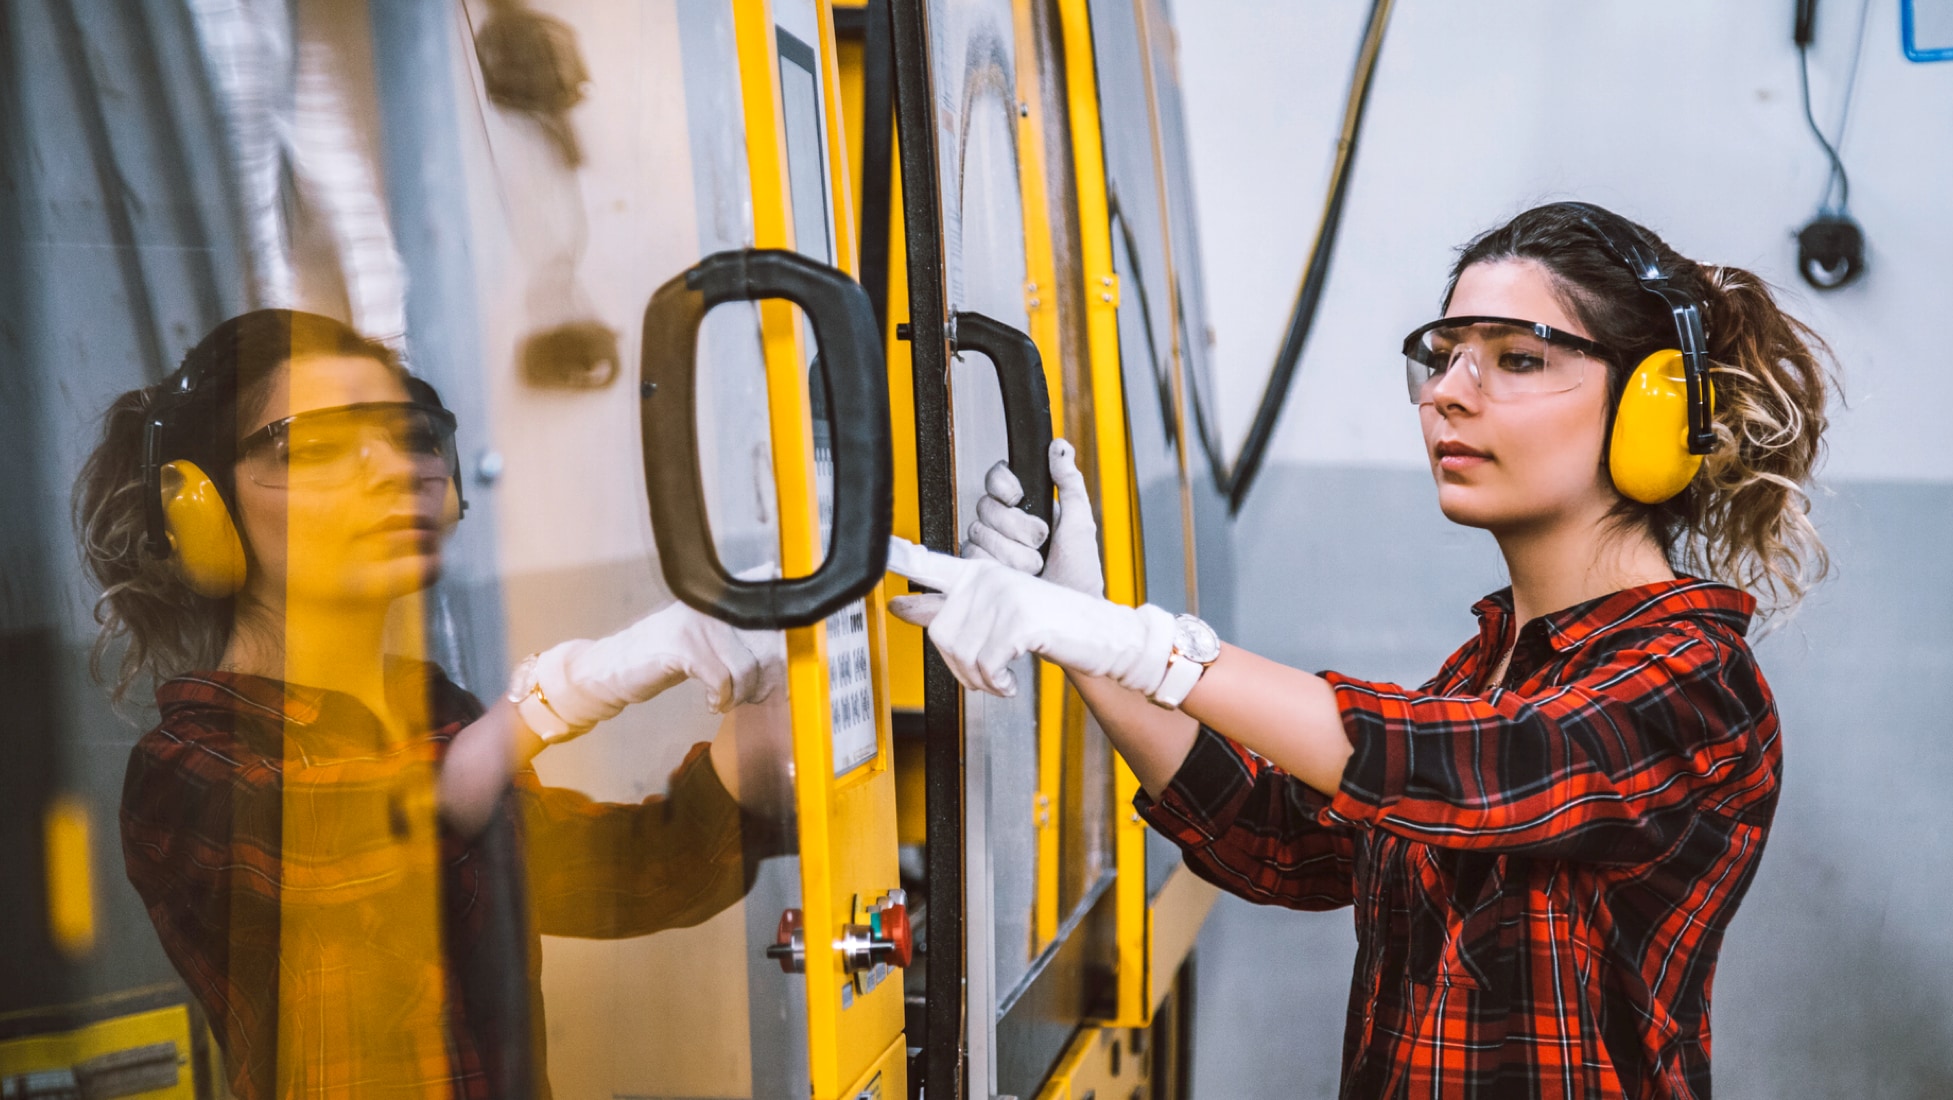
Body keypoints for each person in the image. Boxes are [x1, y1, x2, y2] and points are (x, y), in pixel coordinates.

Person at [887, 203, 1830, 1098]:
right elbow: (1283, 843)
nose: (1448, 397)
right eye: (1443, 356)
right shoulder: (1483, 672)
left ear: (1654, 412)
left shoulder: (1695, 681)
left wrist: (1139, 643)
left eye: (1515, 358)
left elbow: (1465, 767)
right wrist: (1083, 631)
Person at [76, 309, 783, 1099]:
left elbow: (632, 875)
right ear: (200, 512)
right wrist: (569, 691)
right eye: (314, 447)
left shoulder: (435, 713)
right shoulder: (188, 766)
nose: (395, 469)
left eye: (408, 435)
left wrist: (775, 679)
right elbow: (369, 840)